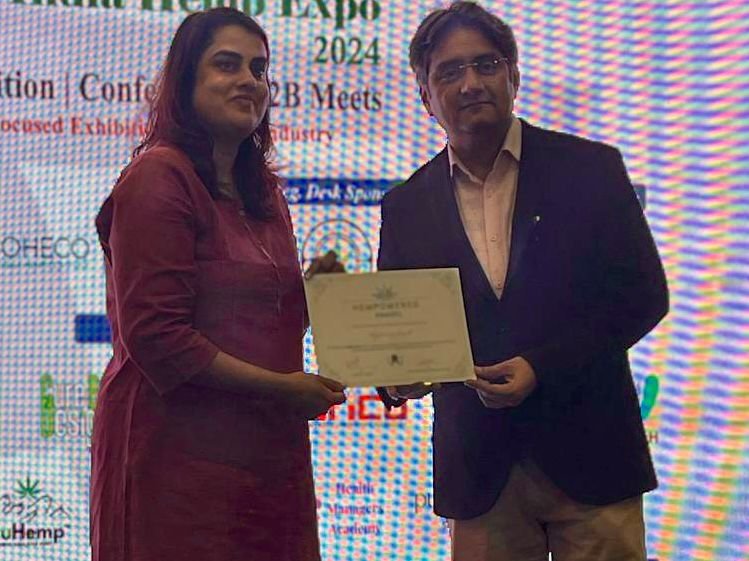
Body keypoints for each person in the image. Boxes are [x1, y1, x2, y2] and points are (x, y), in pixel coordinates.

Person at [376, 2, 669, 560]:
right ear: (425, 97)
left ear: (513, 75)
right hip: (480, 472)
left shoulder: (591, 170)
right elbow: (400, 333)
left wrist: (541, 366)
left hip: (592, 455)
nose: (470, 83)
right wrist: (397, 378)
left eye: (486, 65)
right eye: (449, 72)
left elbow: (641, 297)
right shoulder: (406, 206)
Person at [90, 8, 345, 561]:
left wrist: (310, 298)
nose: (249, 81)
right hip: (175, 459)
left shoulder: (264, 192)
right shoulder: (158, 177)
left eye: (259, 68)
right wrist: (285, 390)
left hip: (264, 453)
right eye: (227, 65)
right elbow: (158, 337)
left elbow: (248, 317)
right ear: (186, 80)